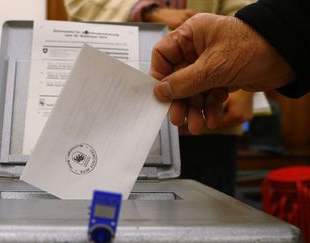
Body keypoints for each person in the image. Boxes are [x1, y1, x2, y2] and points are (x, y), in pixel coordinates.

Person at [65, 0, 257, 195]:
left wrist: (244, 67)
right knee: (109, 214)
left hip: (208, 118)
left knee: (209, 218)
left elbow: (242, 7)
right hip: (120, 115)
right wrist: (146, 11)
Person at [151, 0, 310, 135]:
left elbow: (240, 9)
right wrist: (149, 11)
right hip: (147, 117)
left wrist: (244, 87)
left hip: (214, 110)